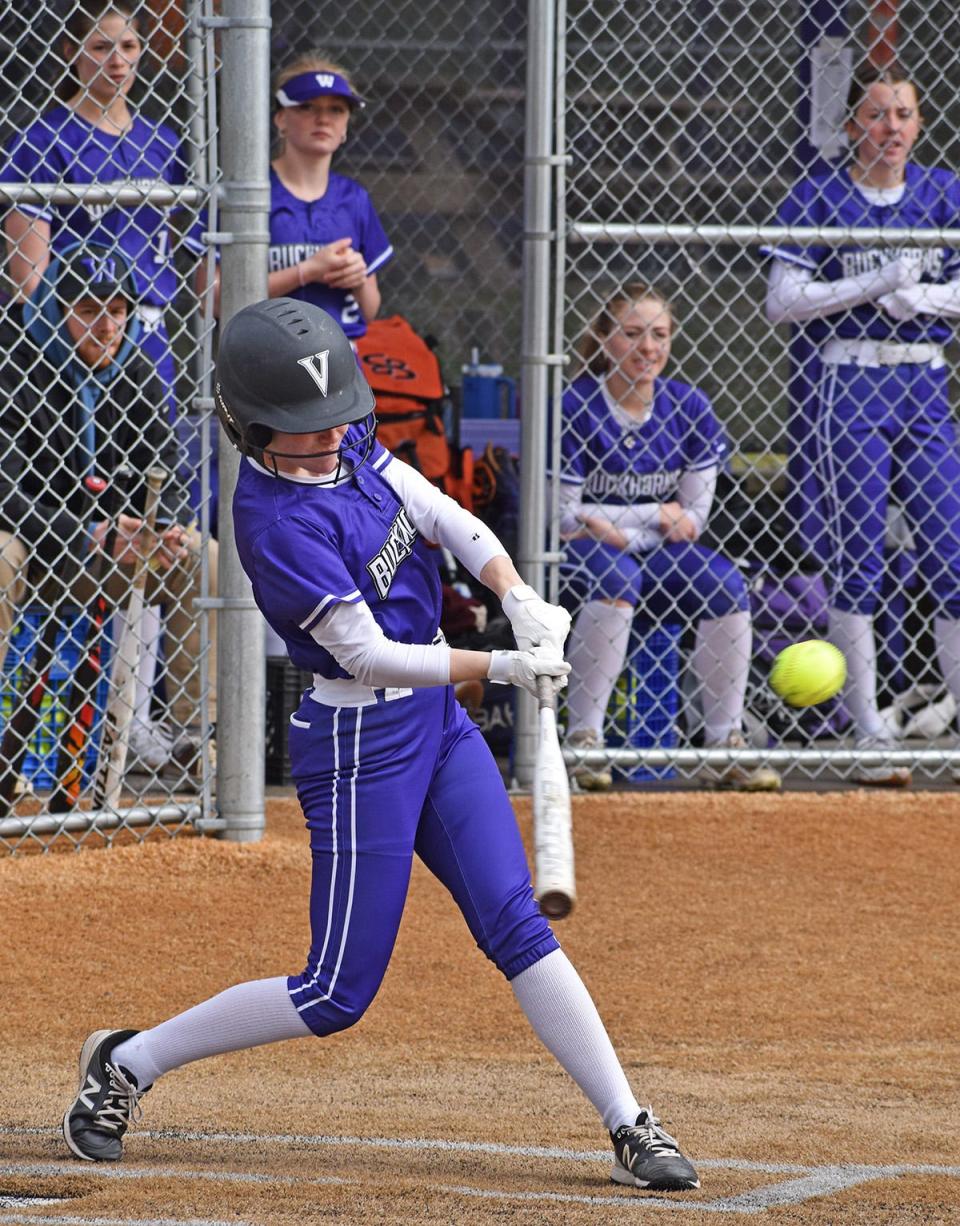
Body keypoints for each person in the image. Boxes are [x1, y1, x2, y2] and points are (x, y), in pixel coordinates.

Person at [58, 298, 700, 1196]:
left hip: (436, 724)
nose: (328, 446)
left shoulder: (343, 439)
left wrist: (513, 589)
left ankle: (630, 1120)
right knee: (335, 993)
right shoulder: (276, 524)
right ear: (248, 430)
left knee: (515, 923)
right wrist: (501, 664)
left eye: (335, 427)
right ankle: (126, 1062)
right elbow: (362, 651)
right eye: (303, 435)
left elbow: (438, 512)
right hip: (359, 740)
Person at [2, 0, 210, 771]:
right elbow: (27, 272)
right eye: (99, 45)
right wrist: (40, 341)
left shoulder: (163, 142)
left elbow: (194, 267)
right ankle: (76, 722)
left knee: (150, 510)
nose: (117, 59)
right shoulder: (44, 136)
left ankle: (140, 719)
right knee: (70, 487)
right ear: (72, 53)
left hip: (143, 337)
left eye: (128, 45)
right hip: (70, 335)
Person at [764, 62, 960, 787]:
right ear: (852, 126)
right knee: (861, 560)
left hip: (925, 381)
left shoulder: (944, 193)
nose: (891, 130)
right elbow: (782, 301)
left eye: (903, 115)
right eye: (876, 116)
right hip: (848, 381)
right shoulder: (818, 193)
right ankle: (869, 733)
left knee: (952, 553)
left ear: (919, 123)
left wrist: (928, 303)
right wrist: (873, 283)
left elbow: (949, 293)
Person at [0, 242, 216, 779]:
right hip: (35, 547)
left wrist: (159, 526)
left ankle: (198, 742)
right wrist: (86, 533)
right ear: (54, 305)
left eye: (116, 310)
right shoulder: (14, 363)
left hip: (112, 550)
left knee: (204, 557)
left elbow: (168, 463)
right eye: (89, 310)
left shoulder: (136, 367)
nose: (107, 327)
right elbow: (4, 491)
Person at [557, 283, 781, 793]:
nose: (648, 348)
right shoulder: (576, 404)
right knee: (616, 577)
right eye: (632, 334)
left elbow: (693, 518)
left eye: (659, 334)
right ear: (605, 339)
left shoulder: (689, 405)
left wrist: (616, 520)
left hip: (649, 550)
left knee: (726, 586)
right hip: (581, 552)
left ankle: (725, 742)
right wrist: (652, 514)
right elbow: (564, 517)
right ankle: (583, 741)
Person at [200, 53, 392, 341]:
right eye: (306, 106)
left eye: (337, 110)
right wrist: (306, 272)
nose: (323, 119)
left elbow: (371, 309)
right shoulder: (244, 194)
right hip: (265, 356)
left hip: (341, 363)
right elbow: (209, 299)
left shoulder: (354, 198)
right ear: (281, 119)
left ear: (346, 126)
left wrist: (358, 278)